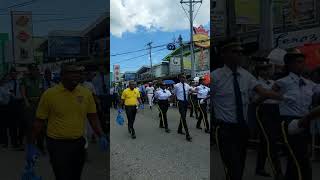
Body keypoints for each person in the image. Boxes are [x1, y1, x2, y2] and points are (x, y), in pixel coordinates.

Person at [212, 38, 283, 180]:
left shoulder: (246, 75)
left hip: (242, 129)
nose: (240, 55)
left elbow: (263, 92)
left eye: (241, 52)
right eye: (235, 52)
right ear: (224, 54)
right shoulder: (215, 76)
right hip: (225, 129)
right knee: (233, 169)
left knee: (240, 166)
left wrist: (288, 97)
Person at [26, 64, 108, 180]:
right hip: (57, 145)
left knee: (75, 176)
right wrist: (31, 144)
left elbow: (93, 117)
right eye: (72, 73)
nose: (76, 76)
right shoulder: (49, 94)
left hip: (79, 143)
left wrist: (101, 135)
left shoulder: (86, 93)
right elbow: (38, 122)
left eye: (78, 73)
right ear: (62, 75)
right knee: (62, 176)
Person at [272, 52, 314, 180]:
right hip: (289, 122)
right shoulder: (281, 82)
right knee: (300, 159)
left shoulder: (309, 84)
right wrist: (282, 97)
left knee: (296, 158)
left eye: (303, 62)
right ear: (289, 65)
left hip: (305, 121)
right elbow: (266, 95)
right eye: (298, 62)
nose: (302, 65)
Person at [253, 63, 283, 178]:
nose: (267, 72)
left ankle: (259, 168)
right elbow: (255, 101)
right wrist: (268, 94)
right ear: (259, 71)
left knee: (265, 141)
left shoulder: (273, 83)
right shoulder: (255, 83)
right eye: (264, 69)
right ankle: (278, 172)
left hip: (276, 110)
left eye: (268, 69)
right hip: (263, 110)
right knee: (271, 141)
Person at [21, 64, 45, 154]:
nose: (35, 71)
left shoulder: (40, 79)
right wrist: (26, 101)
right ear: (29, 71)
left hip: (39, 103)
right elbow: (23, 91)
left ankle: (40, 146)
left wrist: (42, 102)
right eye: (33, 70)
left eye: (36, 70)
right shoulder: (25, 79)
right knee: (30, 126)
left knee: (41, 125)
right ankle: (31, 147)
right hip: (29, 104)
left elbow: (43, 90)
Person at [7, 67, 24, 150]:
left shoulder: (19, 82)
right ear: (10, 74)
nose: (14, 75)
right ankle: (14, 143)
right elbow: (10, 93)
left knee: (21, 124)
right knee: (12, 125)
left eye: (15, 73)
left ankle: (20, 140)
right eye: (12, 73)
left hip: (20, 103)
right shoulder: (8, 83)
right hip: (11, 104)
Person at [174, 74, 192, 142]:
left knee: (183, 116)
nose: (184, 79)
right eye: (182, 77)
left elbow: (191, 90)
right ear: (179, 78)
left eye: (184, 78)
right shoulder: (176, 85)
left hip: (185, 103)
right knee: (183, 117)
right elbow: (174, 93)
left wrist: (197, 90)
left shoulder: (187, 85)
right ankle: (187, 134)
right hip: (180, 102)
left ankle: (179, 129)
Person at [92, 64, 108, 136]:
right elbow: (95, 89)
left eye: (103, 68)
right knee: (101, 113)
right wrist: (97, 99)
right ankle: (104, 128)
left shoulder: (109, 77)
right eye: (100, 69)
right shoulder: (95, 79)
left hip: (108, 96)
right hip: (100, 97)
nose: (101, 70)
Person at [0, 75, 10, 148]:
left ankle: (4, 141)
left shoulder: (6, 88)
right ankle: (4, 141)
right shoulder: (1, 88)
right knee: (3, 125)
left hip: (7, 107)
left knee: (4, 125)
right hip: (2, 107)